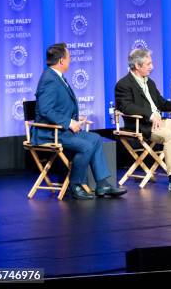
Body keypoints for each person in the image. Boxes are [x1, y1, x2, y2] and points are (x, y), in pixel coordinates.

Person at [32, 43, 126, 200]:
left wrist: (75, 119)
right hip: (49, 133)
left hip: (60, 130)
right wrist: (69, 122)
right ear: (61, 61)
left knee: (95, 138)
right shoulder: (49, 79)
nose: (70, 60)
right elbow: (45, 110)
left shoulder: (56, 76)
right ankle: (75, 185)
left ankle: (102, 184)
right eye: (69, 57)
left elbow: (58, 106)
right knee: (85, 146)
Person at [115, 49, 171, 193]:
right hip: (142, 125)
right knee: (170, 136)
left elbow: (160, 103)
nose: (152, 67)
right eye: (148, 64)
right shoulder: (123, 84)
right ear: (137, 65)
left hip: (160, 121)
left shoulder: (150, 82)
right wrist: (150, 115)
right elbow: (127, 107)